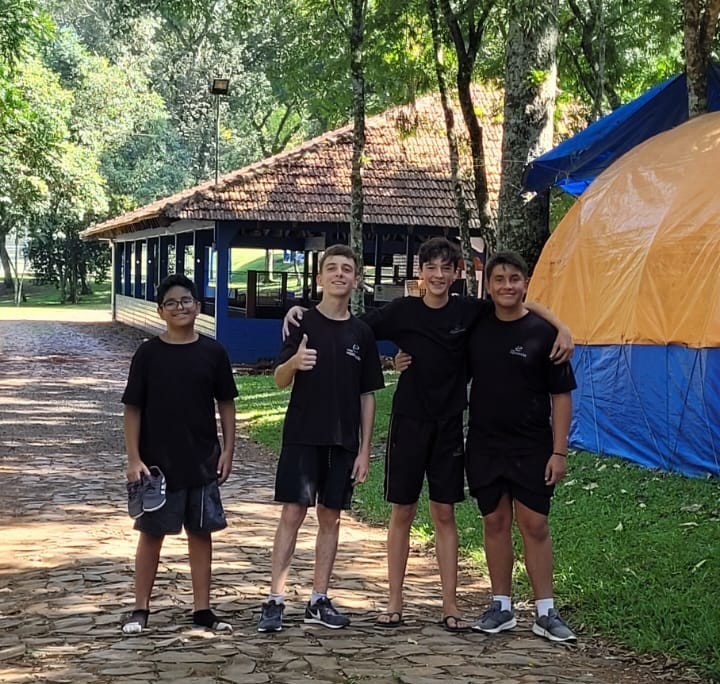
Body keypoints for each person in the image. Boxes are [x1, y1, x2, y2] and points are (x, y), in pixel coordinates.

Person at [284, 237, 573, 631]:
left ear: (456, 273)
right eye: (431, 268)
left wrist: (561, 326)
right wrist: (303, 311)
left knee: (444, 513)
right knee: (402, 512)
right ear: (419, 272)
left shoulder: (469, 310)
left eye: (445, 268)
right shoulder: (402, 311)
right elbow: (350, 325)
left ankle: (450, 605)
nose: (438, 275)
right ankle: (394, 602)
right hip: (408, 421)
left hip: (450, 424)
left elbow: (517, 302)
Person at [258, 244, 384, 632]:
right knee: (292, 514)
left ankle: (318, 599)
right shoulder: (301, 323)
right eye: (332, 268)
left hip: (343, 441)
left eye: (347, 269)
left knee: (331, 517)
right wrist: (295, 363)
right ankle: (275, 599)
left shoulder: (362, 333)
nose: (339, 274)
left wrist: (364, 449)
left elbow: (367, 395)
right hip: (302, 435)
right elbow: (279, 379)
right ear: (320, 278)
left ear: (356, 279)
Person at [465, 251, 577, 642]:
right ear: (488, 286)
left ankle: (546, 611)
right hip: (484, 443)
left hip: (532, 445)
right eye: (499, 279)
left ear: (526, 283)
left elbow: (561, 396)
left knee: (535, 524)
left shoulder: (544, 334)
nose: (507, 286)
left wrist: (559, 452)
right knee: (494, 521)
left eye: (514, 278)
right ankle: (501, 606)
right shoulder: (477, 324)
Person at [121, 273, 238, 635]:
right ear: (160, 311)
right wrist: (133, 458)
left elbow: (226, 403)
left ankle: (202, 608)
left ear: (198, 306)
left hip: (203, 461)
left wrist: (228, 449)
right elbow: (132, 408)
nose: (179, 308)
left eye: (186, 300)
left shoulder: (213, 352)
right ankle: (140, 608)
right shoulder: (148, 354)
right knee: (151, 534)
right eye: (170, 303)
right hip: (157, 466)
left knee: (201, 532)